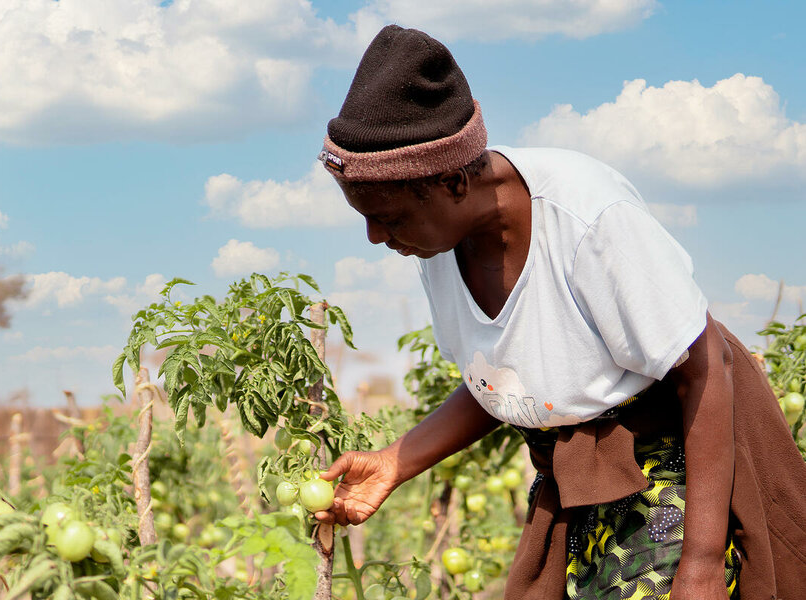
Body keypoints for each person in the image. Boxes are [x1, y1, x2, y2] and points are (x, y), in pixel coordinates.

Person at [313, 24, 806, 600]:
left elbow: (707, 368)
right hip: (579, 475)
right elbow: (503, 378)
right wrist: (396, 462)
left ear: (450, 181)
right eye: (365, 217)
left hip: (677, 456)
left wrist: (699, 563)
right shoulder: (435, 241)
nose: (376, 237)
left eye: (389, 217)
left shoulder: (588, 218)